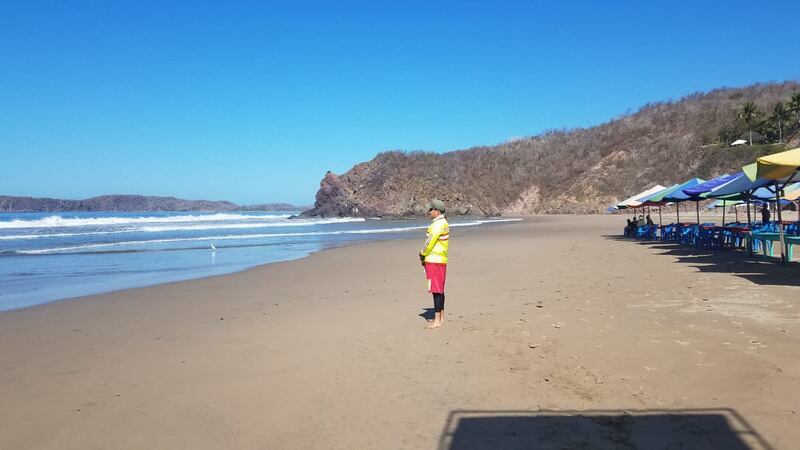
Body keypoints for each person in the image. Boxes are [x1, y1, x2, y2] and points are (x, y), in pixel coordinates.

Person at [419, 199, 449, 329]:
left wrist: (422, 253)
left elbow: (430, 242)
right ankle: (441, 316)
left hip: (434, 260)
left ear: (437, 211)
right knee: (440, 290)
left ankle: (437, 320)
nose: (429, 212)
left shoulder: (438, 224)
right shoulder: (443, 223)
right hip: (440, 260)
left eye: (430, 209)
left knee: (436, 290)